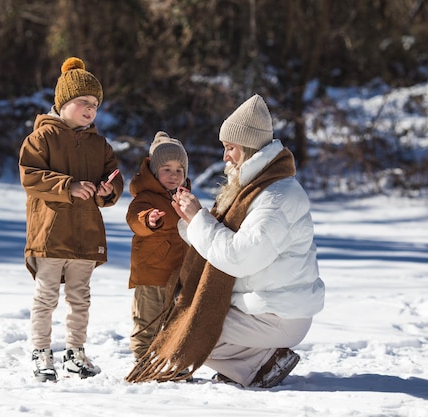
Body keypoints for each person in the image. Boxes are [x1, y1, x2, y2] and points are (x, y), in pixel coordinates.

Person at [126, 94, 325, 388]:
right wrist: (193, 220)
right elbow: (224, 241)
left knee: (189, 328)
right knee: (189, 319)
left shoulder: (276, 197)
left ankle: (260, 361)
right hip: (266, 306)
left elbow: (240, 257)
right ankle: (258, 364)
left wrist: (200, 219)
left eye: (230, 148)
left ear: (248, 148)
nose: (225, 157)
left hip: (279, 313)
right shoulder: (257, 188)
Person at [19, 57, 124, 382]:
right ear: (63, 102)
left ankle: (75, 353)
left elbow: (115, 178)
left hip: (85, 235)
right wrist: (69, 186)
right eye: (83, 102)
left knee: (81, 298)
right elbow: (31, 176)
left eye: (95, 104)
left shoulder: (99, 144)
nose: (90, 109)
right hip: (51, 236)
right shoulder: (42, 138)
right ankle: (41, 352)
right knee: (46, 296)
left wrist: (107, 189)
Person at [126, 131, 190, 361]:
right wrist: (149, 219)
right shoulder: (146, 197)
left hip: (179, 274)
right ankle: (143, 360)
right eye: (167, 170)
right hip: (151, 273)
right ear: (154, 172)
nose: (173, 175)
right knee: (148, 321)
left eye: (179, 170)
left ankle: (174, 360)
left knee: (178, 322)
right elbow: (134, 219)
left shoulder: (185, 198)